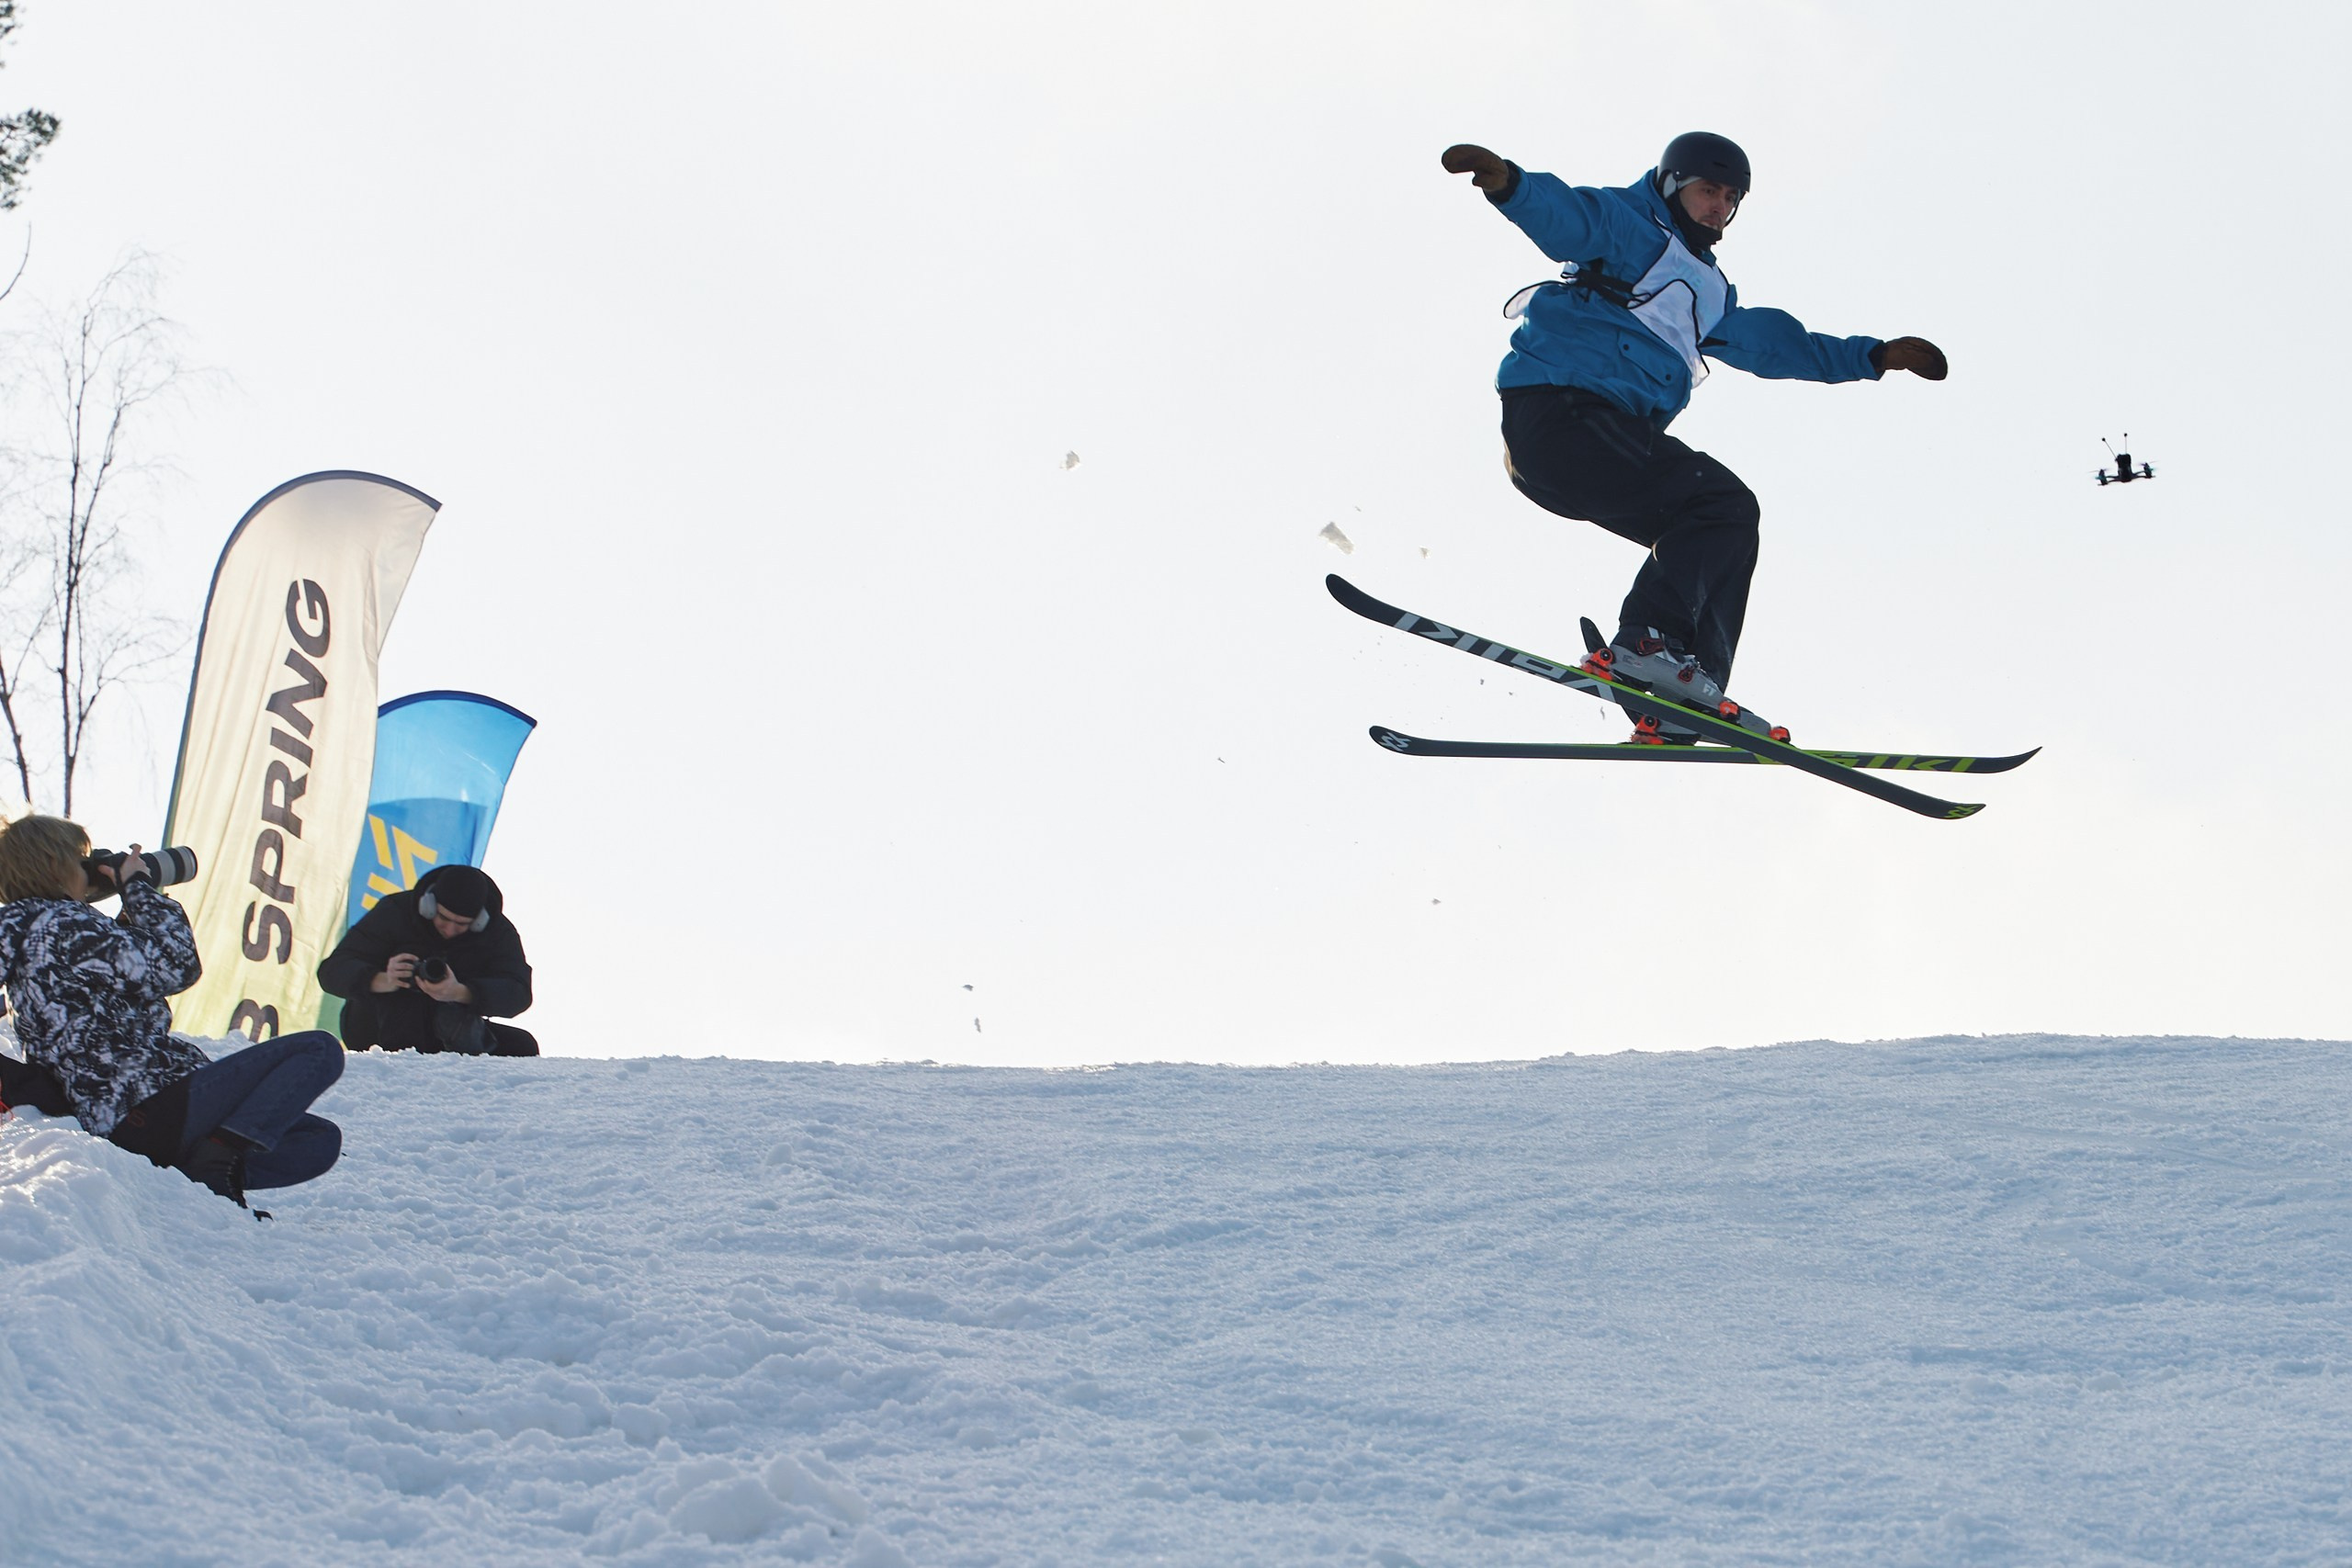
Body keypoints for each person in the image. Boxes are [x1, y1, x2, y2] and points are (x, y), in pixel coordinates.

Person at [1441, 132, 1948, 740]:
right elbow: (1571, 218)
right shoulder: (1631, 227)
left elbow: (1773, 344)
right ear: (1673, 184)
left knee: (1724, 523)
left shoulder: (1710, 292)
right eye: (1709, 191)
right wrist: (1509, 184)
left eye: (1731, 199)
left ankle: (1685, 689)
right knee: (1717, 501)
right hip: (1562, 415)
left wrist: (1870, 356)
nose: (1719, 208)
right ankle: (1646, 644)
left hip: (1602, 441)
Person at [0, 814, 344, 1211]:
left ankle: (201, 1166)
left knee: (316, 1138)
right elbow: (178, 965)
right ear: (56, 866)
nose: (89, 871)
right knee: (318, 1050)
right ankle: (215, 1162)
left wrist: (128, 915)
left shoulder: (27, 929)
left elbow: (121, 984)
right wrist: (137, 887)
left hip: (121, 1114)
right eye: (83, 862)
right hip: (145, 1102)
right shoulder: (65, 923)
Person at [317, 863, 537, 1055]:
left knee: (522, 1046)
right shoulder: (395, 911)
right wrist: (383, 979)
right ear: (429, 906)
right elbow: (332, 971)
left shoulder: (498, 933)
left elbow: (518, 993)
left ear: (480, 921)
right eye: (444, 918)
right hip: (378, 1025)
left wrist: (461, 992)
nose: (450, 929)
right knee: (406, 1006)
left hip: (451, 1028)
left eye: (462, 924)